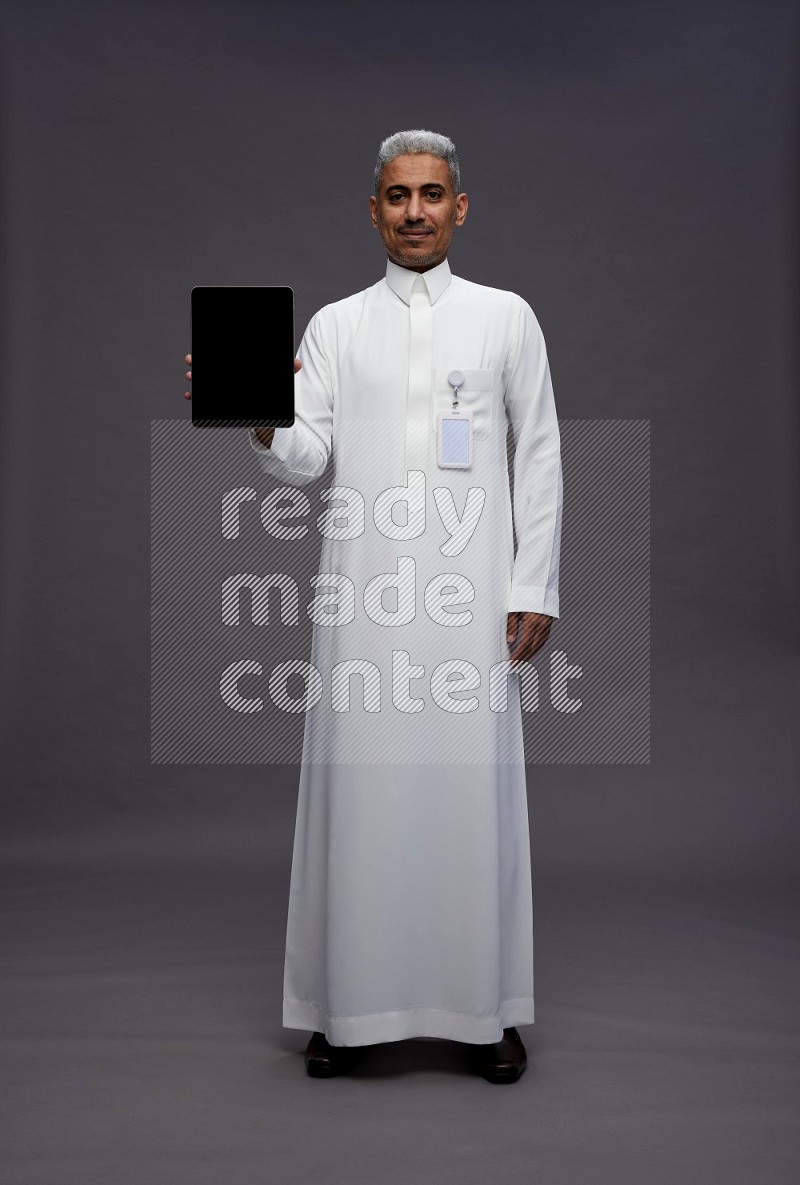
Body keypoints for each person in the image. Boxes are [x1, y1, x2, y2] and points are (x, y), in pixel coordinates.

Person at [183, 129, 562, 1084]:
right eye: (398, 197)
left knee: (473, 796)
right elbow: (306, 460)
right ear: (374, 210)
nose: (416, 212)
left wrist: (534, 584)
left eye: (433, 194)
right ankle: (343, 1010)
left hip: (473, 597)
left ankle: (487, 1012)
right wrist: (261, 415)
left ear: (460, 207)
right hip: (364, 598)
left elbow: (540, 454)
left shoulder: (507, 317)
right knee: (359, 795)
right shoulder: (335, 328)